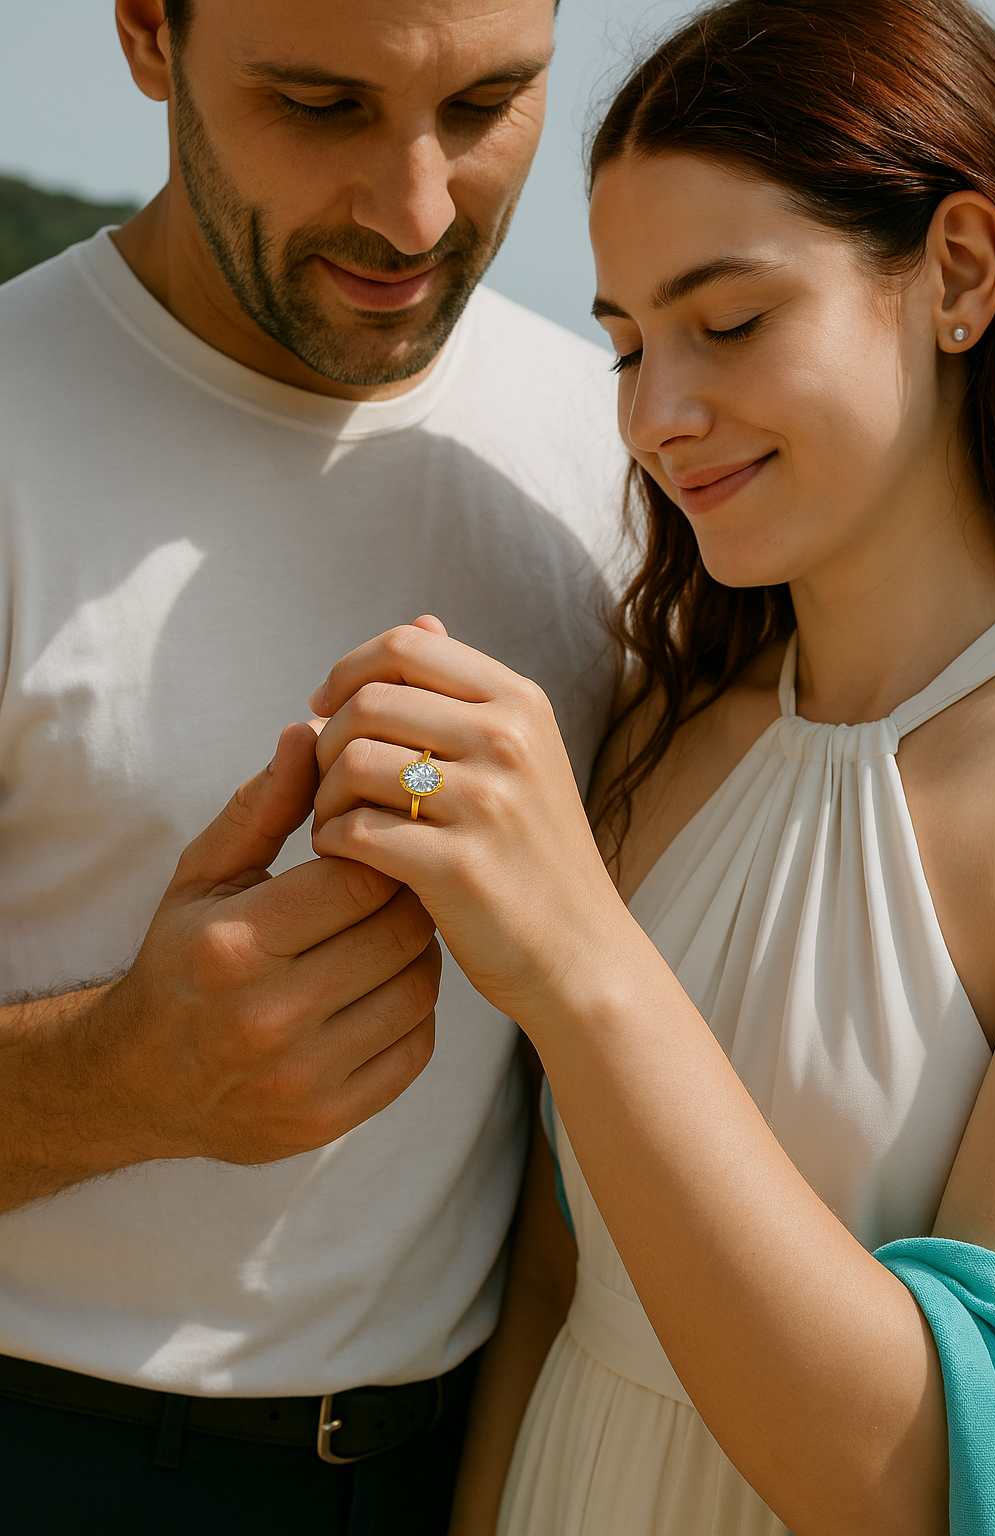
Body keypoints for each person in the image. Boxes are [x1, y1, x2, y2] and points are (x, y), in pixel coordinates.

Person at [305, 1, 995, 1532]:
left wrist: (577, 959)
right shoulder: (664, 728)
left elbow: (921, 1487)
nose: (655, 417)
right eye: (627, 341)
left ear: (957, 272)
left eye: (732, 321)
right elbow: (559, 1276)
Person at [0, 0, 623, 1531]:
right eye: (321, 106)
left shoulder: (641, 454)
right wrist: (112, 1081)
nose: (416, 213)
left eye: (486, 103)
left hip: (482, 1460)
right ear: (150, 33)